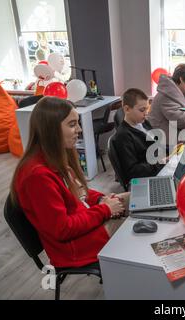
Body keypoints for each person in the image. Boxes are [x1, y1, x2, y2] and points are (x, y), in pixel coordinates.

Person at [10, 97, 128, 268]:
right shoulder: (36, 177)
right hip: (76, 247)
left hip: (86, 227)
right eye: (72, 124)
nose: (79, 129)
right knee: (137, 224)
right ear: (50, 130)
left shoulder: (54, 158)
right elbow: (62, 229)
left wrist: (101, 200)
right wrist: (105, 209)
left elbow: (78, 191)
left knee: (137, 200)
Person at [115, 88, 165, 186]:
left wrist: (172, 150)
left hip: (157, 166)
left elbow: (155, 144)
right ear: (127, 109)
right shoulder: (124, 136)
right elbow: (133, 171)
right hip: (146, 178)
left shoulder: (144, 123)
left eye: (147, 109)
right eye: (142, 110)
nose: (146, 113)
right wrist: (161, 162)